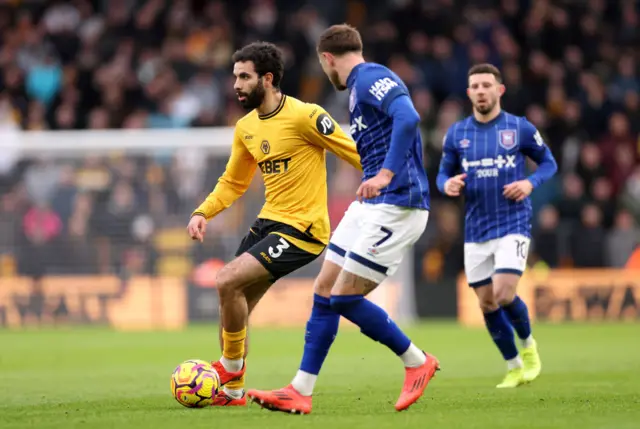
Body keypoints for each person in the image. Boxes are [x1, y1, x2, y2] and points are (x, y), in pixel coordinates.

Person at [247, 24, 439, 414]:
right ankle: (300, 390)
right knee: (324, 289)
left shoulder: (371, 78)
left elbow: (408, 117)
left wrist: (384, 173)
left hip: (398, 204)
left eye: (323, 66)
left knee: (344, 298)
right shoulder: (359, 88)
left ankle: (417, 361)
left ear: (328, 59)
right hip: (372, 205)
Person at [186, 41, 361, 406]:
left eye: (244, 77)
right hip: (268, 223)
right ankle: (233, 392)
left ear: (267, 79)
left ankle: (228, 369)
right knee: (233, 301)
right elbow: (234, 182)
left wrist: (389, 177)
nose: (236, 84)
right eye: (235, 76)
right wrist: (202, 211)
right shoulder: (246, 127)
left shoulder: (305, 116)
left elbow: (353, 152)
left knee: (225, 278)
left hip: (304, 230)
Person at [436, 63, 557, 388]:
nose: (480, 91)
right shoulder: (457, 134)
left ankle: (529, 347)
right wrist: (446, 185)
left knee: (504, 293)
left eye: (486, 85)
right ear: (468, 92)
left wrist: (530, 184)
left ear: (499, 90)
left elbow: (549, 162)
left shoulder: (519, 128)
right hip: (476, 229)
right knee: (486, 302)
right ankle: (514, 365)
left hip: (512, 222)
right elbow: (442, 173)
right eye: (474, 86)